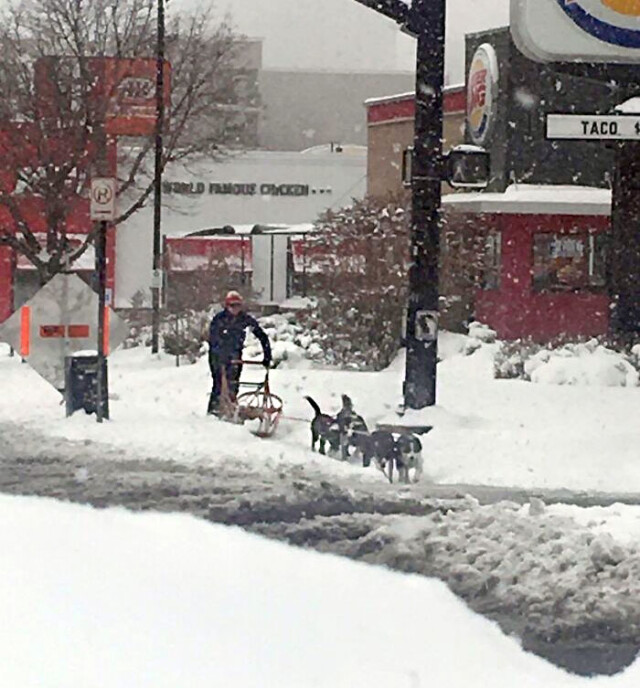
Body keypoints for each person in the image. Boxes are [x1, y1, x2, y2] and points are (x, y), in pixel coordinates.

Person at [207, 290, 272, 416]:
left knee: (234, 383)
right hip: (217, 356)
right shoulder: (219, 319)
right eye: (232, 306)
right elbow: (213, 339)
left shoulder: (244, 319)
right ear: (227, 306)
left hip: (235, 355)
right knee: (219, 384)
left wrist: (267, 354)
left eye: (238, 306)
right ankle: (214, 412)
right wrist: (220, 355)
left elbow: (260, 335)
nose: (235, 309)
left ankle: (231, 408)